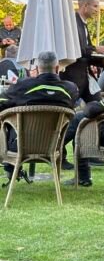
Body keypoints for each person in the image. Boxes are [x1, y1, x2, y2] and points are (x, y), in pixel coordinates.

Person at [0, 51, 79, 183]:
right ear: (57, 68)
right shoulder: (71, 89)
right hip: (54, 145)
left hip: (19, 145)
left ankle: (10, 168)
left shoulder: (23, 86)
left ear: (37, 68)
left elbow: (2, 103)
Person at [61, 0, 104, 103]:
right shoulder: (72, 23)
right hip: (73, 76)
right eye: (95, 6)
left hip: (85, 76)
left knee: (98, 105)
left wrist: (103, 60)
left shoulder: (82, 23)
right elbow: (77, 49)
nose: (97, 10)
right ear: (85, 6)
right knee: (71, 106)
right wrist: (95, 49)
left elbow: (86, 50)